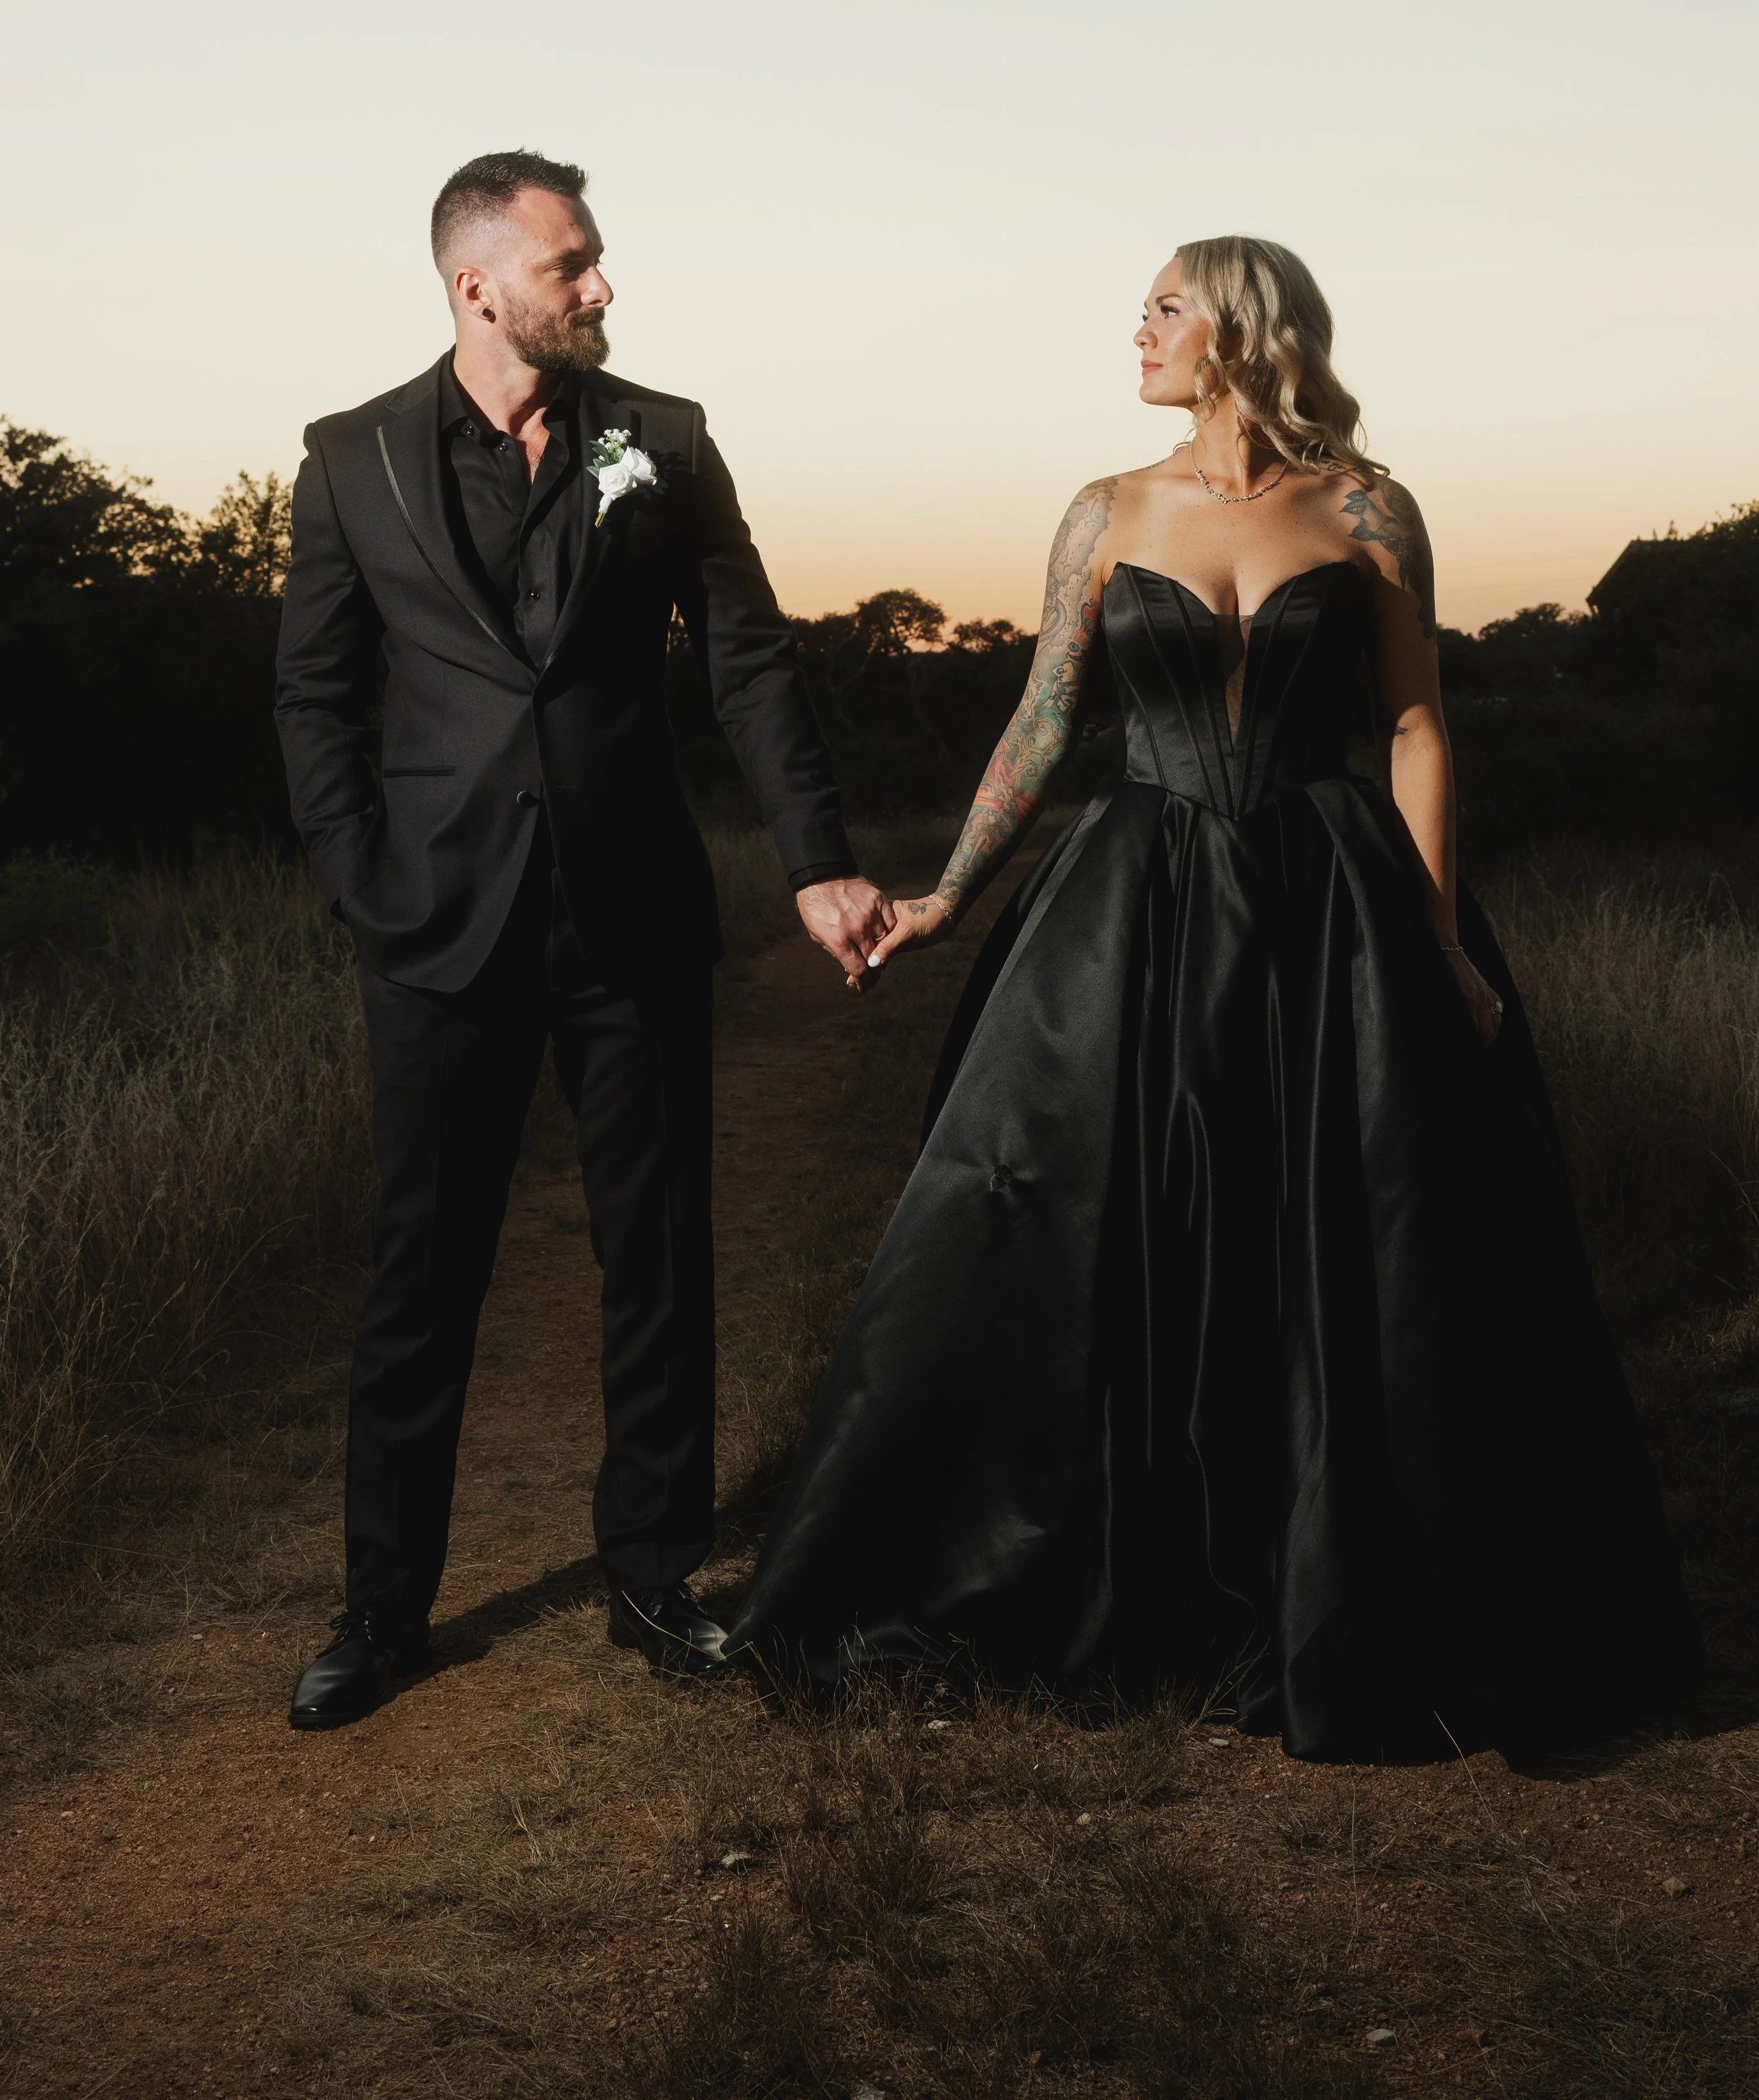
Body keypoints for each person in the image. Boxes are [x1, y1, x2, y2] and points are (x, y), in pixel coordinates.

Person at [727, 236, 1701, 1761]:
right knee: (1089, 1219)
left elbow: (1415, 731)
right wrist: (941, 899)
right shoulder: (1103, 509)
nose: (1137, 328)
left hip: (1335, 902)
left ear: (1240, 333)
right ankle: (1126, 1577)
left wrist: (1439, 944)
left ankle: (1344, 1585)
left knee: (1344, 1232)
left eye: (1162, 306)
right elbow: (1042, 726)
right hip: (1140, 899)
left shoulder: (1367, 506)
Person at [275, 149, 889, 1728]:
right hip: (433, 920)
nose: (603, 288)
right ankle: (383, 1608)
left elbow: (747, 660)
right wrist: (362, 878)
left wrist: (815, 859)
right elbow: (316, 697)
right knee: (424, 1274)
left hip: (629, 909)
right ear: (477, 287)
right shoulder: (350, 459)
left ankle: (651, 1576)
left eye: (599, 260)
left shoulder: (665, 444)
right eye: (574, 267)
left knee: (656, 1254)